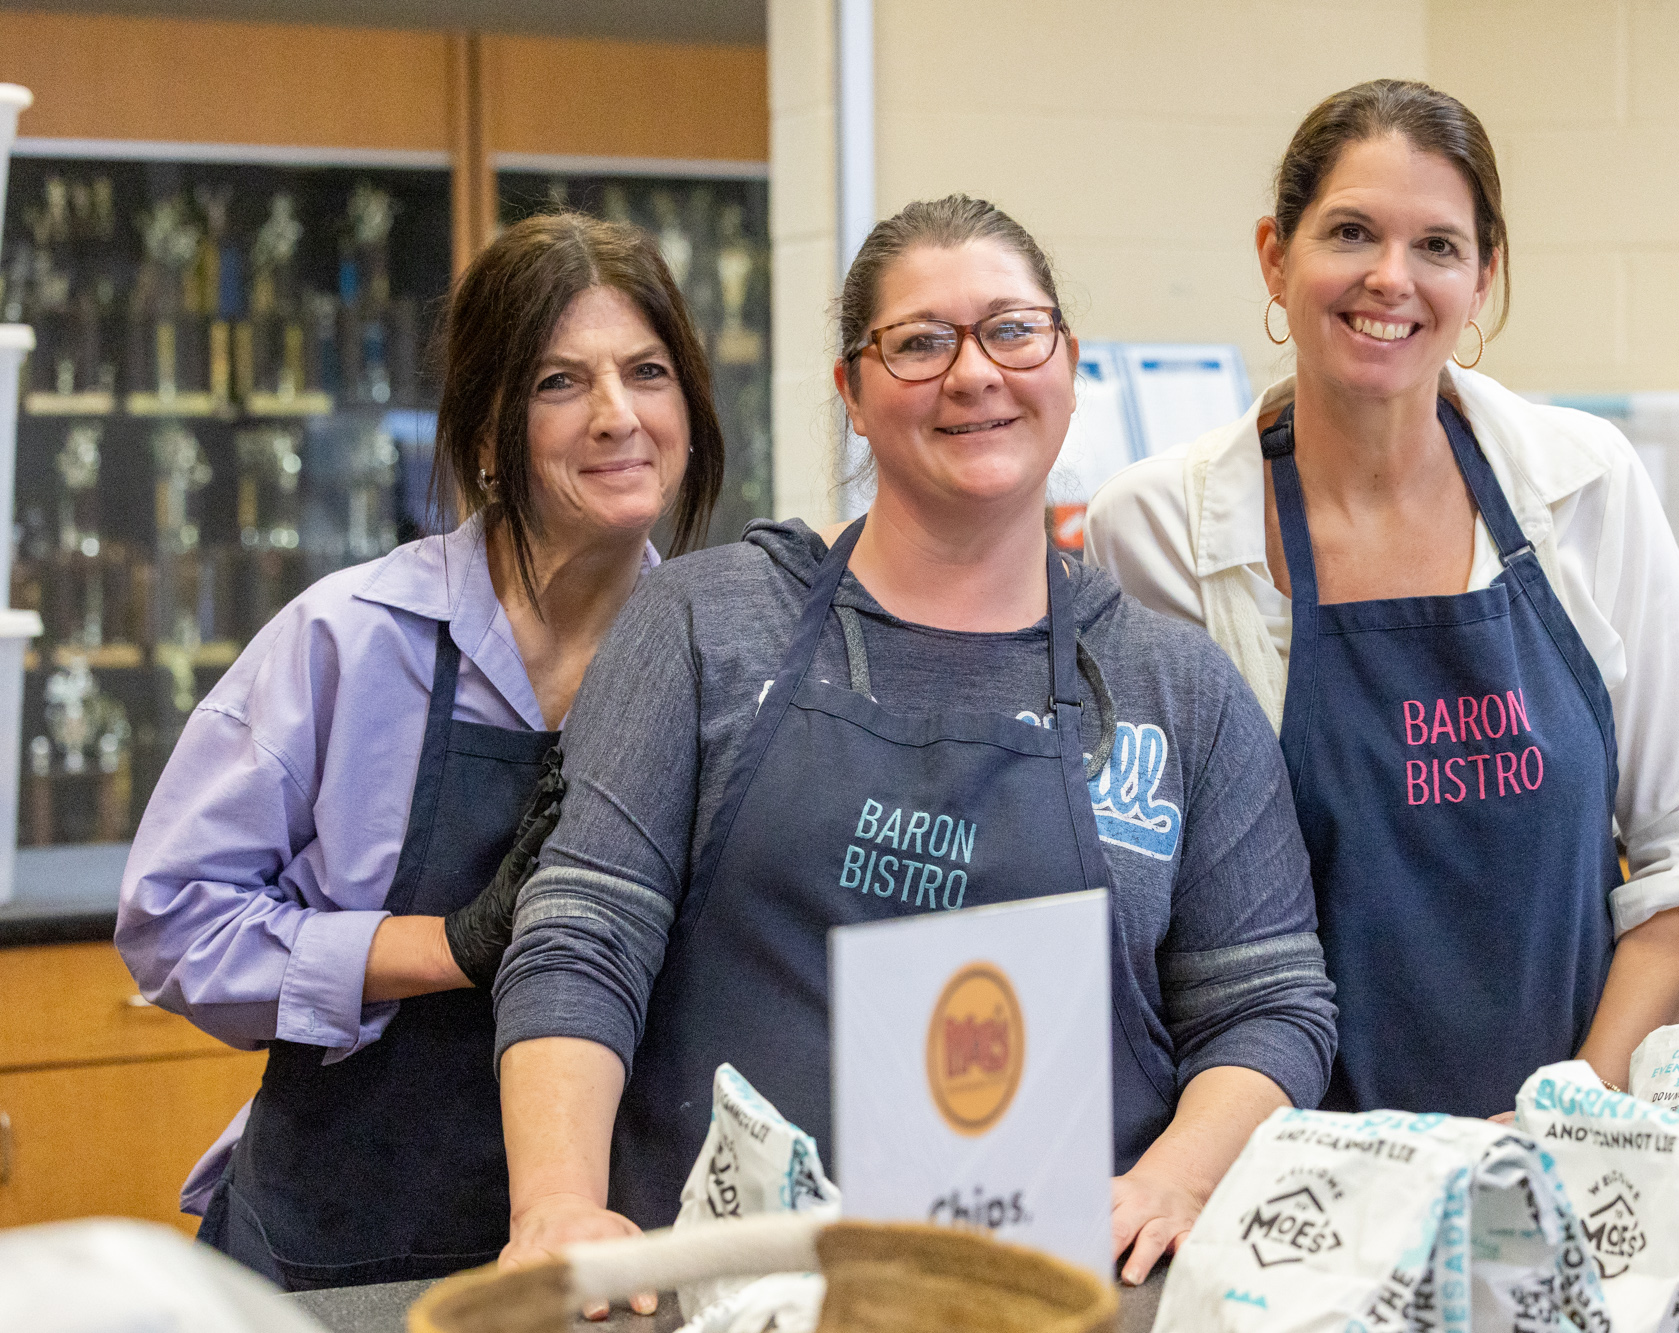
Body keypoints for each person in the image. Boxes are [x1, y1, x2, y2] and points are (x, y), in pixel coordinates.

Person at [491, 195, 1337, 1300]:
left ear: (1066, 363)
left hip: (1049, 1298)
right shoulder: (708, 624)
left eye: (1012, 331)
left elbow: (1268, 1004)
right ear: (852, 391)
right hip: (732, 1295)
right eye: (921, 343)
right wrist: (556, 1202)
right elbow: (582, 933)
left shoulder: (1176, 689)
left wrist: (1172, 1179)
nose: (974, 374)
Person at [1086, 80, 1679, 1120]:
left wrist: (1567, 1108)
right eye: (1350, 232)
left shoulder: (1585, 487)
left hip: (1561, 1163)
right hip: (1280, 1173)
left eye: (1437, 246)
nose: (1390, 278)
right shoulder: (1157, 530)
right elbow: (1155, 910)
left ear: (1483, 277)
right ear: (1274, 256)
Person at [114, 212, 725, 1289]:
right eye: (560, 382)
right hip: (330, 1253)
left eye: (647, 372)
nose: (618, 415)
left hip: (593, 1259)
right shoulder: (352, 640)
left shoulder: (713, 662)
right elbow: (174, 921)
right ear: (487, 433)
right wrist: (443, 945)